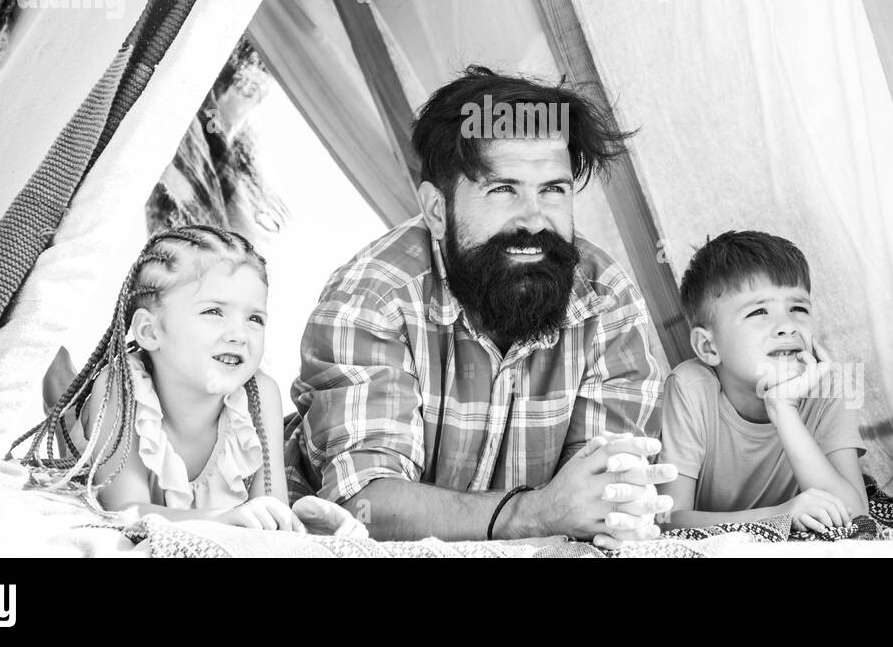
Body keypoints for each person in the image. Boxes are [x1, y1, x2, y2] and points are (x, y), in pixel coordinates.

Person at [287, 66, 675, 546]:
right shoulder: (372, 297)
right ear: (435, 210)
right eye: (502, 189)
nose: (534, 220)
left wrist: (614, 512)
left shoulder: (606, 301)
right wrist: (534, 513)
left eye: (553, 189)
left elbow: (601, 496)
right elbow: (361, 507)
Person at [18, 225, 363, 536]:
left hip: (198, 499)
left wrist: (309, 532)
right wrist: (228, 517)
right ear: (151, 332)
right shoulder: (118, 386)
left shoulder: (261, 395)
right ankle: (56, 371)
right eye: (214, 311)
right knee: (69, 414)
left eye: (254, 318)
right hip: (101, 437)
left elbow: (270, 514)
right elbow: (125, 510)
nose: (239, 334)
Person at [657, 230, 867, 532]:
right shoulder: (691, 388)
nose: (787, 326)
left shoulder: (830, 388)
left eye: (798, 308)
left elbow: (856, 515)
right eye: (759, 311)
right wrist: (781, 515)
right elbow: (667, 522)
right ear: (708, 347)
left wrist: (783, 410)